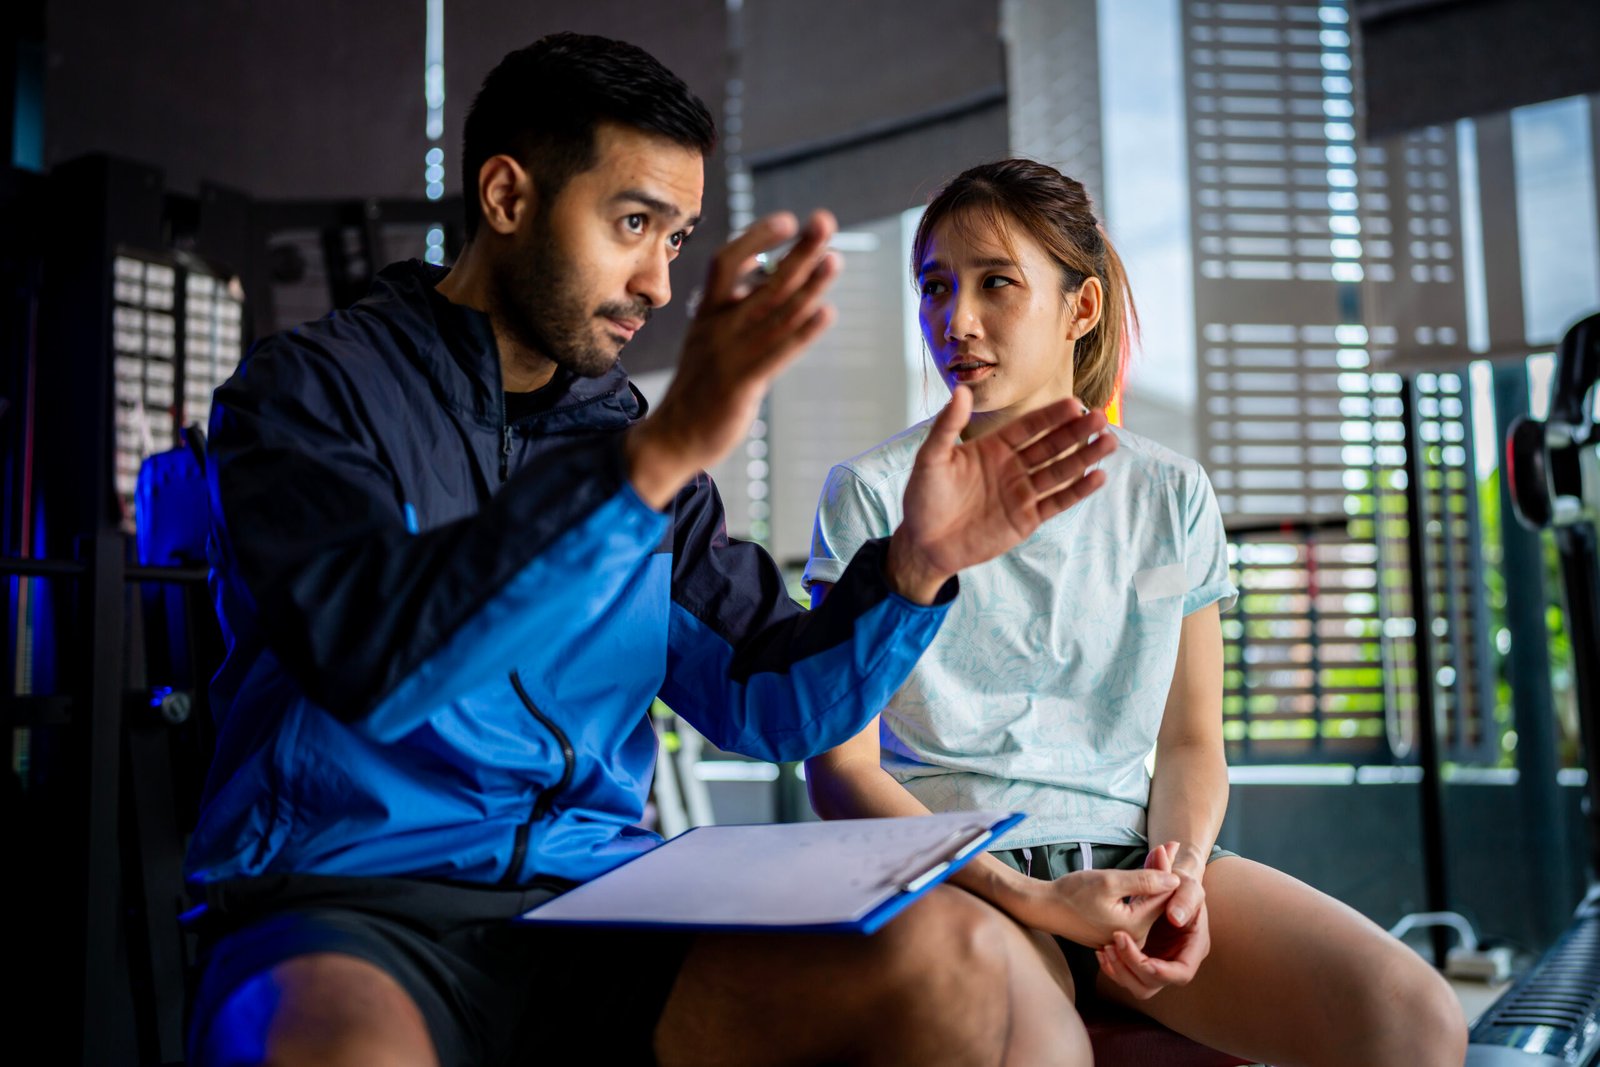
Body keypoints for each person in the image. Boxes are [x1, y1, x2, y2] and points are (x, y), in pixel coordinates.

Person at [184, 35, 1134, 1067]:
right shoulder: (310, 395)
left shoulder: (634, 447)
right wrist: (653, 454)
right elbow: (372, 659)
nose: (656, 281)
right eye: (632, 222)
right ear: (506, 197)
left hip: (594, 899)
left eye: (676, 239)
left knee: (948, 955)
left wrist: (912, 569)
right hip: (350, 901)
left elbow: (764, 704)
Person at [804, 158, 1469, 1067]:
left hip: (1128, 858)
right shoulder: (872, 494)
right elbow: (840, 770)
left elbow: (1193, 743)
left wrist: (1181, 876)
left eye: (996, 283)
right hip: (956, 871)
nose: (954, 321)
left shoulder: (1170, 494)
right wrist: (1031, 897)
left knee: (1415, 1020)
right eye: (935, 287)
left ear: (1079, 309)